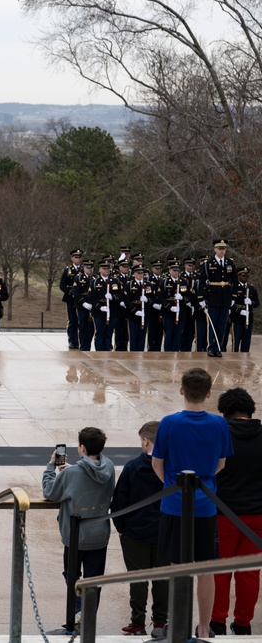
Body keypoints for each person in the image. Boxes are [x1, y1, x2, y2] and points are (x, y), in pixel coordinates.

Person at [151, 367, 233, 638]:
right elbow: (221, 463)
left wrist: (172, 486)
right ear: (209, 393)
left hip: (174, 503)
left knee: (177, 568)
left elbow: (157, 463)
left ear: (181, 390)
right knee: (206, 569)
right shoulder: (220, 424)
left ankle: (177, 623)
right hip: (206, 503)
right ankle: (205, 627)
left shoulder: (169, 422)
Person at [42, 426, 115, 626]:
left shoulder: (71, 474)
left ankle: (77, 612)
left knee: (72, 575)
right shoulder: (109, 466)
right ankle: (88, 616)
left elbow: (50, 492)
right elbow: (93, 477)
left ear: (81, 447)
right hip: (99, 534)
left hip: (75, 536)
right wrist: (75, 469)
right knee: (94, 579)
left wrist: (51, 468)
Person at [210, 387, 262, 635]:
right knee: (249, 573)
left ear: (225, 413)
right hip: (258, 516)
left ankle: (217, 622)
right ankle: (243, 624)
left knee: (219, 571)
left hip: (223, 514)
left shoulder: (219, 435)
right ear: (250, 412)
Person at [111, 421, 168, 638]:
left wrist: (122, 529)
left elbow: (119, 501)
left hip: (136, 532)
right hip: (164, 532)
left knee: (138, 579)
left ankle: (138, 622)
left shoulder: (133, 467)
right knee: (163, 578)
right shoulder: (173, 466)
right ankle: (161, 622)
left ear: (145, 441)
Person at [60, 249, 84, 349]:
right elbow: (62, 285)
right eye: (76, 257)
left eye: (79, 257)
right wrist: (71, 293)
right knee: (72, 320)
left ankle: (80, 340)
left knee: (81, 321)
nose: (78, 259)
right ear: (72, 258)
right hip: (71, 299)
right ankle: (72, 341)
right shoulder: (67, 270)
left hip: (81, 299)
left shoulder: (83, 270)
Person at [230, 267, 257, 353]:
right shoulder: (234, 287)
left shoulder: (251, 288)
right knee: (236, 341)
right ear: (238, 276)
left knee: (246, 341)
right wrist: (239, 311)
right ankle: (235, 358)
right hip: (237, 318)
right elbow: (230, 304)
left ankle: (245, 360)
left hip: (248, 318)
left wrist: (251, 302)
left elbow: (257, 303)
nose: (245, 277)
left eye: (246, 276)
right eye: (243, 276)